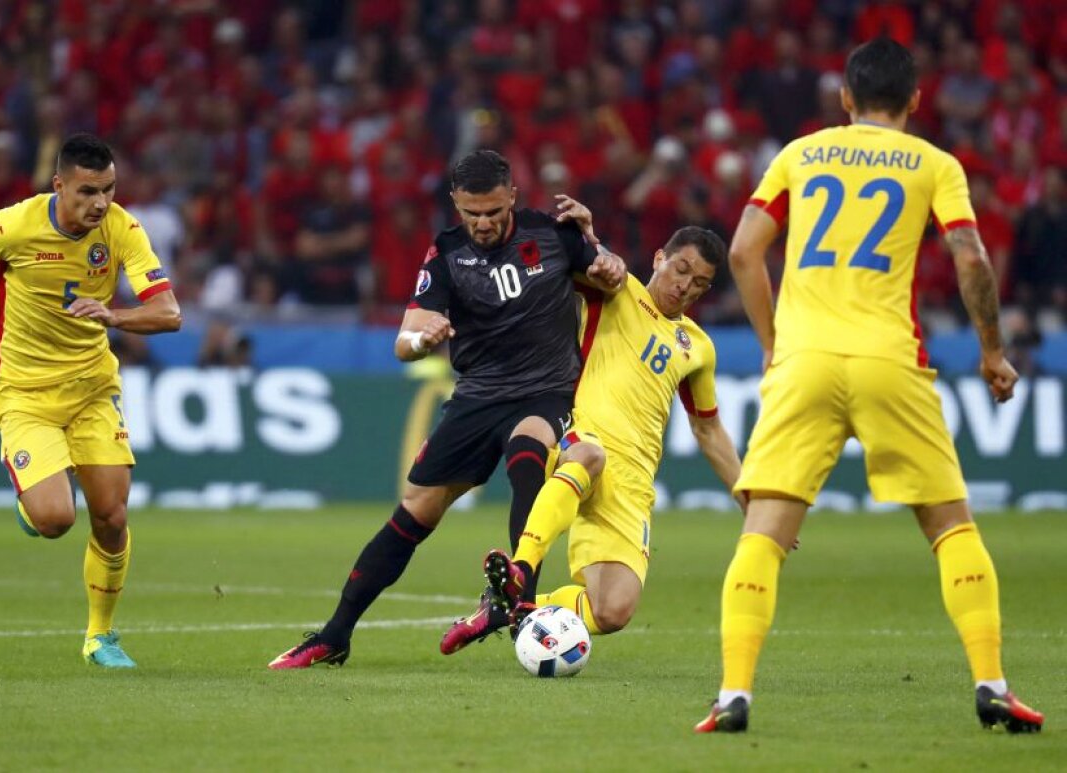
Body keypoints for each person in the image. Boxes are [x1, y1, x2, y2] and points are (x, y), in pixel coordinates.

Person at [694, 38, 1043, 734]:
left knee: (763, 535)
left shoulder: (801, 153)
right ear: (916, 100)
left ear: (845, 99)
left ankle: (734, 693)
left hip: (806, 361)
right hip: (890, 358)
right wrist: (992, 351)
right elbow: (969, 256)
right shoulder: (935, 164)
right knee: (950, 526)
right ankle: (992, 682)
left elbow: (740, 250)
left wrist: (771, 344)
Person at [269, 149, 626, 669]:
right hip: (477, 398)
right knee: (416, 509)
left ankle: (520, 599)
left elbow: (609, 276)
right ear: (456, 205)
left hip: (546, 391)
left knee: (530, 449)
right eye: (471, 213)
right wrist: (422, 340)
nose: (482, 224)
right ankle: (335, 634)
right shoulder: (446, 254)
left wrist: (606, 253)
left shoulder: (553, 234)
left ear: (512, 198)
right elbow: (405, 341)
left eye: (492, 213)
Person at [0, 133, 182, 669]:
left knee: (113, 516)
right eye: (87, 191)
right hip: (26, 393)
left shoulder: (121, 229)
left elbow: (169, 313)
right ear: (59, 186)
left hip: (94, 390)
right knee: (55, 519)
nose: (100, 203)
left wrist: (115, 316)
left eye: (109, 189)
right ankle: (34, 499)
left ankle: (100, 637)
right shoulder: (15, 225)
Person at [441, 214, 746, 655]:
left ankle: (505, 608)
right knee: (588, 456)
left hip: (632, 483)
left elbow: (707, 426)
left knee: (612, 611)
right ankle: (521, 573)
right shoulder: (618, 291)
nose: (686, 286)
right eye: (681, 270)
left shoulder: (698, 346)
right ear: (660, 258)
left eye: (699, 283)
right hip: (577, 438)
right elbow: (570, 260)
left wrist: (745, 494)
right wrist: (587, 232)